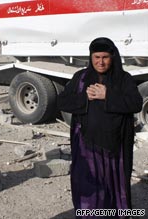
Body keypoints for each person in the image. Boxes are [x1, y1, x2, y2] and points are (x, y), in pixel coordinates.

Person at [57, 37, 143, 218]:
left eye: (105, 57)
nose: (100, 62)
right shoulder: (80, 78)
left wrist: (107, 94)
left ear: (112, 57)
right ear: (91, 57)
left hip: (116, 149)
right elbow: (62, 101)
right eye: (96, 57)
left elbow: (136, 103)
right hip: (87, 147)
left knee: (114, 189)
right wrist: (84, 99)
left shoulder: (123, 79)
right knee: (88, 187)